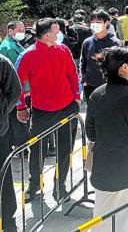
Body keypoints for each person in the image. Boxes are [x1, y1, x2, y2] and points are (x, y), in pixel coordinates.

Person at [86, 46, 128, 232]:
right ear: (124, 68)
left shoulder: (96, 94)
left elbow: (91, 133)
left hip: (103, 164)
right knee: (125, 216)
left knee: (101, 214)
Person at [15, 18, 80, 202]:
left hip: (67, 108)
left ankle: (60, 187)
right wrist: (21, 107)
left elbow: (72, 74)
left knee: (65, 150)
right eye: (56, 30)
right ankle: (34, 185)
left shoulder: (63, 50)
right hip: (42, 111)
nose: (59, 33)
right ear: (45, 35)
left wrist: (76, 97)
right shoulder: (28, 55)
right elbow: (17, 83)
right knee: (37, 150)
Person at [0, 21, 30, 148]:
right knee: (19, 124)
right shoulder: (8, 48)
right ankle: (21, 148)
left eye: (23, 29)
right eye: (19, 29)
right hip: (14, 94)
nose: (22, 32)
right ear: (10, 31)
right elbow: (14, 76)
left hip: (18, 92)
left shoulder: (15, 44)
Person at [80, 9, 121, 100]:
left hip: (109, 86)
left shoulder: (115, 43)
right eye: (93, 22)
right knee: (91, 111)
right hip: (90, 85)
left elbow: (119, 66)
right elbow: (83, 62)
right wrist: (84, 79)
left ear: (106, 23)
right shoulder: (87, 42)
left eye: (98, 22)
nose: (95, 24)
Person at [0, 54, 21, 232]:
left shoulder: (2, 63)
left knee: (3, 177)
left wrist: (1, 113)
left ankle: (7, 220)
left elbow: (14, 91)